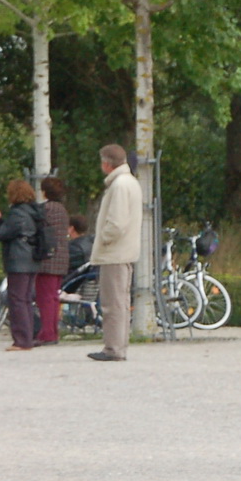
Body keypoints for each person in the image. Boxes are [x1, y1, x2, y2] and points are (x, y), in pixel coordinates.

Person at [89, 144, 142, 362]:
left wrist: (103, 239)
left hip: (115, 252)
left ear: (107, 163)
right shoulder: (130, 182)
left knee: (112, 304)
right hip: (124, 252)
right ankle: (119, 346)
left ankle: (113, 348)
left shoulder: (119, 185)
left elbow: (116, 223)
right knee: (120, 301)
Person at [0, 179, 43, 351]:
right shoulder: (32, 211)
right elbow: (11, 231)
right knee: (26, 300)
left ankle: (22, 340)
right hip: (31, 259)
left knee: (17, 300)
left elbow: (0, 235)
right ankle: (30, 336)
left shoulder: (18, 213)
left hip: (19, 261)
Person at [34, 177, 71, 345]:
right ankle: (53, 331)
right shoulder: (62, 209)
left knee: (45, 298)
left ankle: (47, 333)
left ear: (45, 192)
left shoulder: (45, 209)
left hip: (47, 259)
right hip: (61, 257)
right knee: (54, 298)